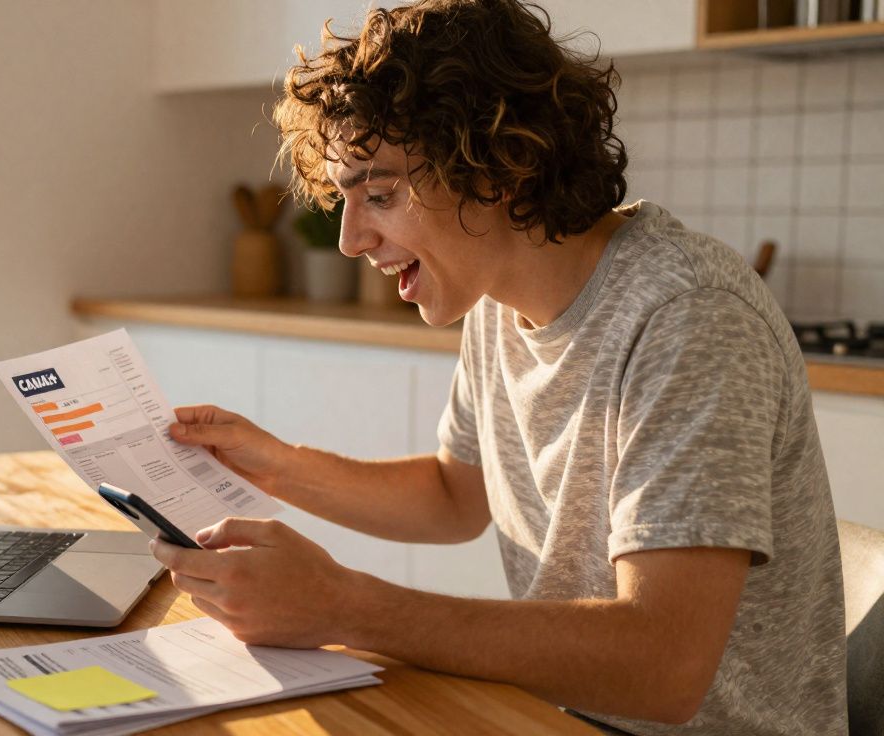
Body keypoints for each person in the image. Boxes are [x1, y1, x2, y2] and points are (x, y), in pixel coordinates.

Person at [148, 1, 848, 733]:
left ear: (499, 167)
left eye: (379, 194)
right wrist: (274, 465)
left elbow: (663, 666)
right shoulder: (494, 296)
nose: (352, 240)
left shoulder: (687, 316)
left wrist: (345, 605)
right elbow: (455, 496)